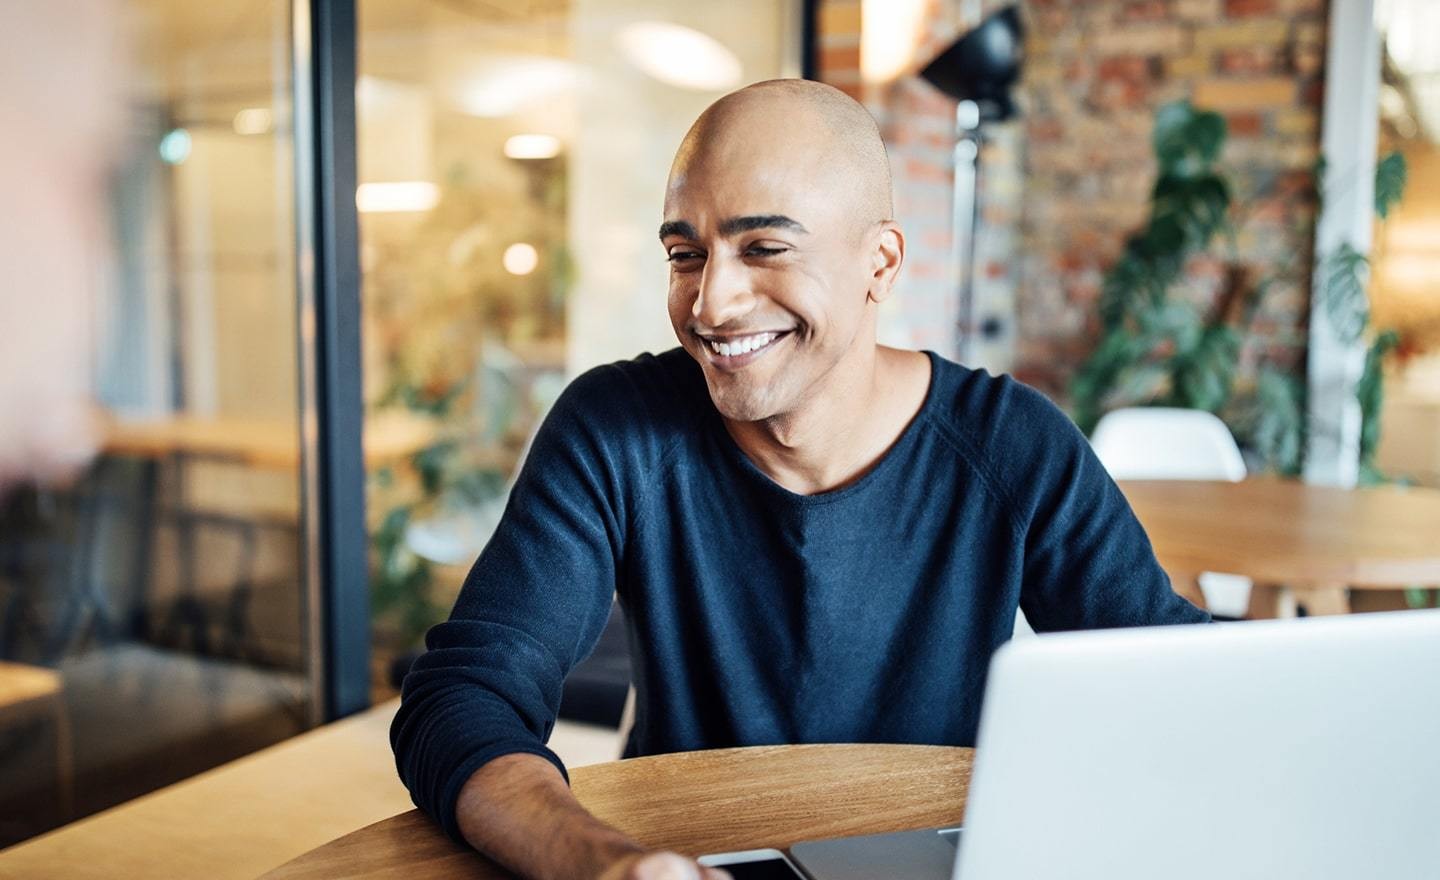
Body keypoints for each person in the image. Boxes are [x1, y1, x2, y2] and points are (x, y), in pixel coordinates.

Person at [391, 79, 1208, 880]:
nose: (711, 303)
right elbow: (465, 695)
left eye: (764, 248)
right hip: (690, 858)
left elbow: (1171, 683)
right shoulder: (615, 429)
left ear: (880, 263)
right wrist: (605, 862)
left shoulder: (1013, 445)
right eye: (686, 255)